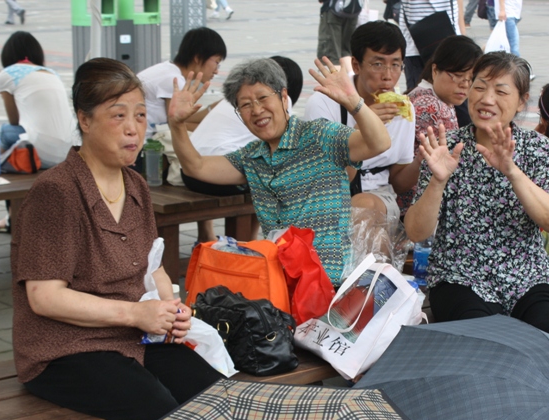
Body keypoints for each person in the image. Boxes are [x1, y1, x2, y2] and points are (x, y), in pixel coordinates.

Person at [11, 58, 223, 420]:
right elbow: (44, 297)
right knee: (161, 415)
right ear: (85, 120)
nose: (132, 129)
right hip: (63, 350)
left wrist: (171, 310)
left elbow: (151, 265)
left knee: (214, 397)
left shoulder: (136, 185)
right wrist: (135, 315)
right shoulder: (57, 192)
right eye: (118, 115)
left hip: (129, 338)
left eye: (141, 116)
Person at [168, 57, 391, 286]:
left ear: (284, 97)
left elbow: (379, 143)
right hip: (279, 281)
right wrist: (176, 125)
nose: (256, 110)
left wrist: (353, 102)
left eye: (263, 98)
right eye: (245, 105)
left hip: (329, 282)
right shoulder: (251, 156)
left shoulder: (320, 136)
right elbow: (196, 166)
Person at [405, 52, 549, 340]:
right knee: (483, 344)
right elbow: (417, 231)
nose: (486, 99)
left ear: (521, 101)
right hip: (459, 278)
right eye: (479, 87)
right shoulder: (446, 147)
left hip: (527, 277)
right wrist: (438, 181)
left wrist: (512, 171)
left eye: (500, 91)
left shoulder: (538, 148)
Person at [304, 21, 417, 225]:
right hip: (326, 197)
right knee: (357, 215)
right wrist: (361, 128)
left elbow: (398, 183)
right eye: (378, 64)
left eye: (395, 64)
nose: (388, 76)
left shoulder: (403, 109)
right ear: (356, 65)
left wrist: (422, 162)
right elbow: (328, 181)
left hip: (379, 196)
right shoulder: (323, 104)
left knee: (362, 207)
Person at [0, 32, 74, 233]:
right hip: (69, 150)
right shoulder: (50, 73)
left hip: (39, 153)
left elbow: (14, 120)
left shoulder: (8, 74)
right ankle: (9, 216)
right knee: (8, 141)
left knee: (2, 134)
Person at [137, 27, 226, 242]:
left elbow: (182, 121)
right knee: (201, 162)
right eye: (216, 62)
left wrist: (215, 112)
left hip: (150, 147)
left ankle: (207, 234)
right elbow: (179, 123)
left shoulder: (167, 72)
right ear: (198, 58)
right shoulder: (172, 80)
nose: (217, 71)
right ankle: (207, 235)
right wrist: (216, 117)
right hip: (145, 155)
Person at [183, 56, 303, 198]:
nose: (257, 110)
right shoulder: (280, 99)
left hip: (187, 172)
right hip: (213, 174)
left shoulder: (238, 95)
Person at [397, 35, 482, 216]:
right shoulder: (433, 107)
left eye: (471, 79)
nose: (465, 85)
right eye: (458, 76)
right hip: (418, 206)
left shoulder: (421, 95)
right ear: (435, 71)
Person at [398, 0, 465, 90]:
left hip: (450, 40)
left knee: (455, 95)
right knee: (418, 97)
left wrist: (463, 37)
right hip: (415, 45)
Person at [317, 0, 359, 75]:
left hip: (333, 9)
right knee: (346, 50)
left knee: (332, 55)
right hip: (353, 8)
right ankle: (352, 80)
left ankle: (337, 83)